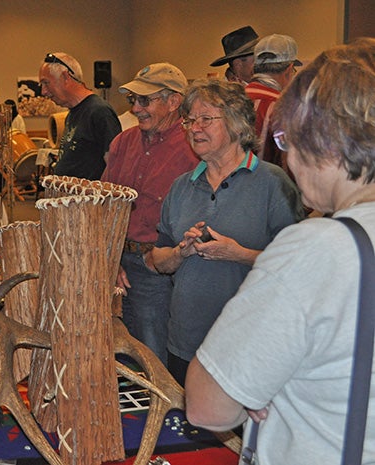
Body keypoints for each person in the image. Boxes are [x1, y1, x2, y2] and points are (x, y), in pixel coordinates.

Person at [186, 38, 375, 465]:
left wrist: (265, 386)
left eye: (288, 140)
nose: (288, 160)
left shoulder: (317, 245)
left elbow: (207, 404)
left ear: (325, 141)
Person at [149, 79, 303, 385]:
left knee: (243, 433)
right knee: (189, 430)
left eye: (206, 119)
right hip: (185, 345)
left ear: (236, 124)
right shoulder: (181, 187)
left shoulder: (273, 184)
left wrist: (238, 254)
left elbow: (298, 267)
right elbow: (157, 259)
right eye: (190, 120)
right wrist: (182, 252)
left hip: (250, 345)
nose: (194, 128)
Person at [101, 63, 198, 365]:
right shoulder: (124, 142)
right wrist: (109, 257)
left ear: (174, 102)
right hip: (116, 263)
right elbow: (103, 204)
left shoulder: (193, 149)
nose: (137, 108)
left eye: (145, 100)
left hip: (158, 270)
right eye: (133, 101)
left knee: (153, 359)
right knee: (116, 355)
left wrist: (162, 259)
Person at [38, 52, 121, 180]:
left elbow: (115, 167)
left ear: (65, 77)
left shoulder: (100, 112)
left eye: (46, 83)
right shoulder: (71, 114)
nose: (43, 91)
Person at [245, 34, 301, 167]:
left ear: (254, 69)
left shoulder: (231, 99)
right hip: (270, 186)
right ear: (288, 70)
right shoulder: (283, 108)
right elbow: (289, 167)